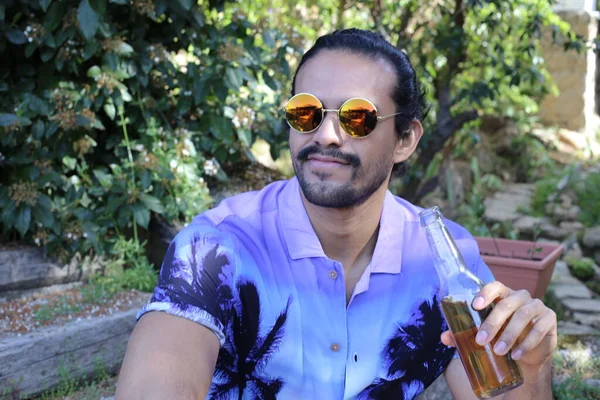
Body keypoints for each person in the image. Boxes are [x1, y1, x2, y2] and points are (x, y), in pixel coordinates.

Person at [116, 29, 557, 399]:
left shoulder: (446, 261)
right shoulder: (217, 248)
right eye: (306, 113)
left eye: (358, 117)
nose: (326, 134)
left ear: (405, 139)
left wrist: (533, 365)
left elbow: (497, 389)